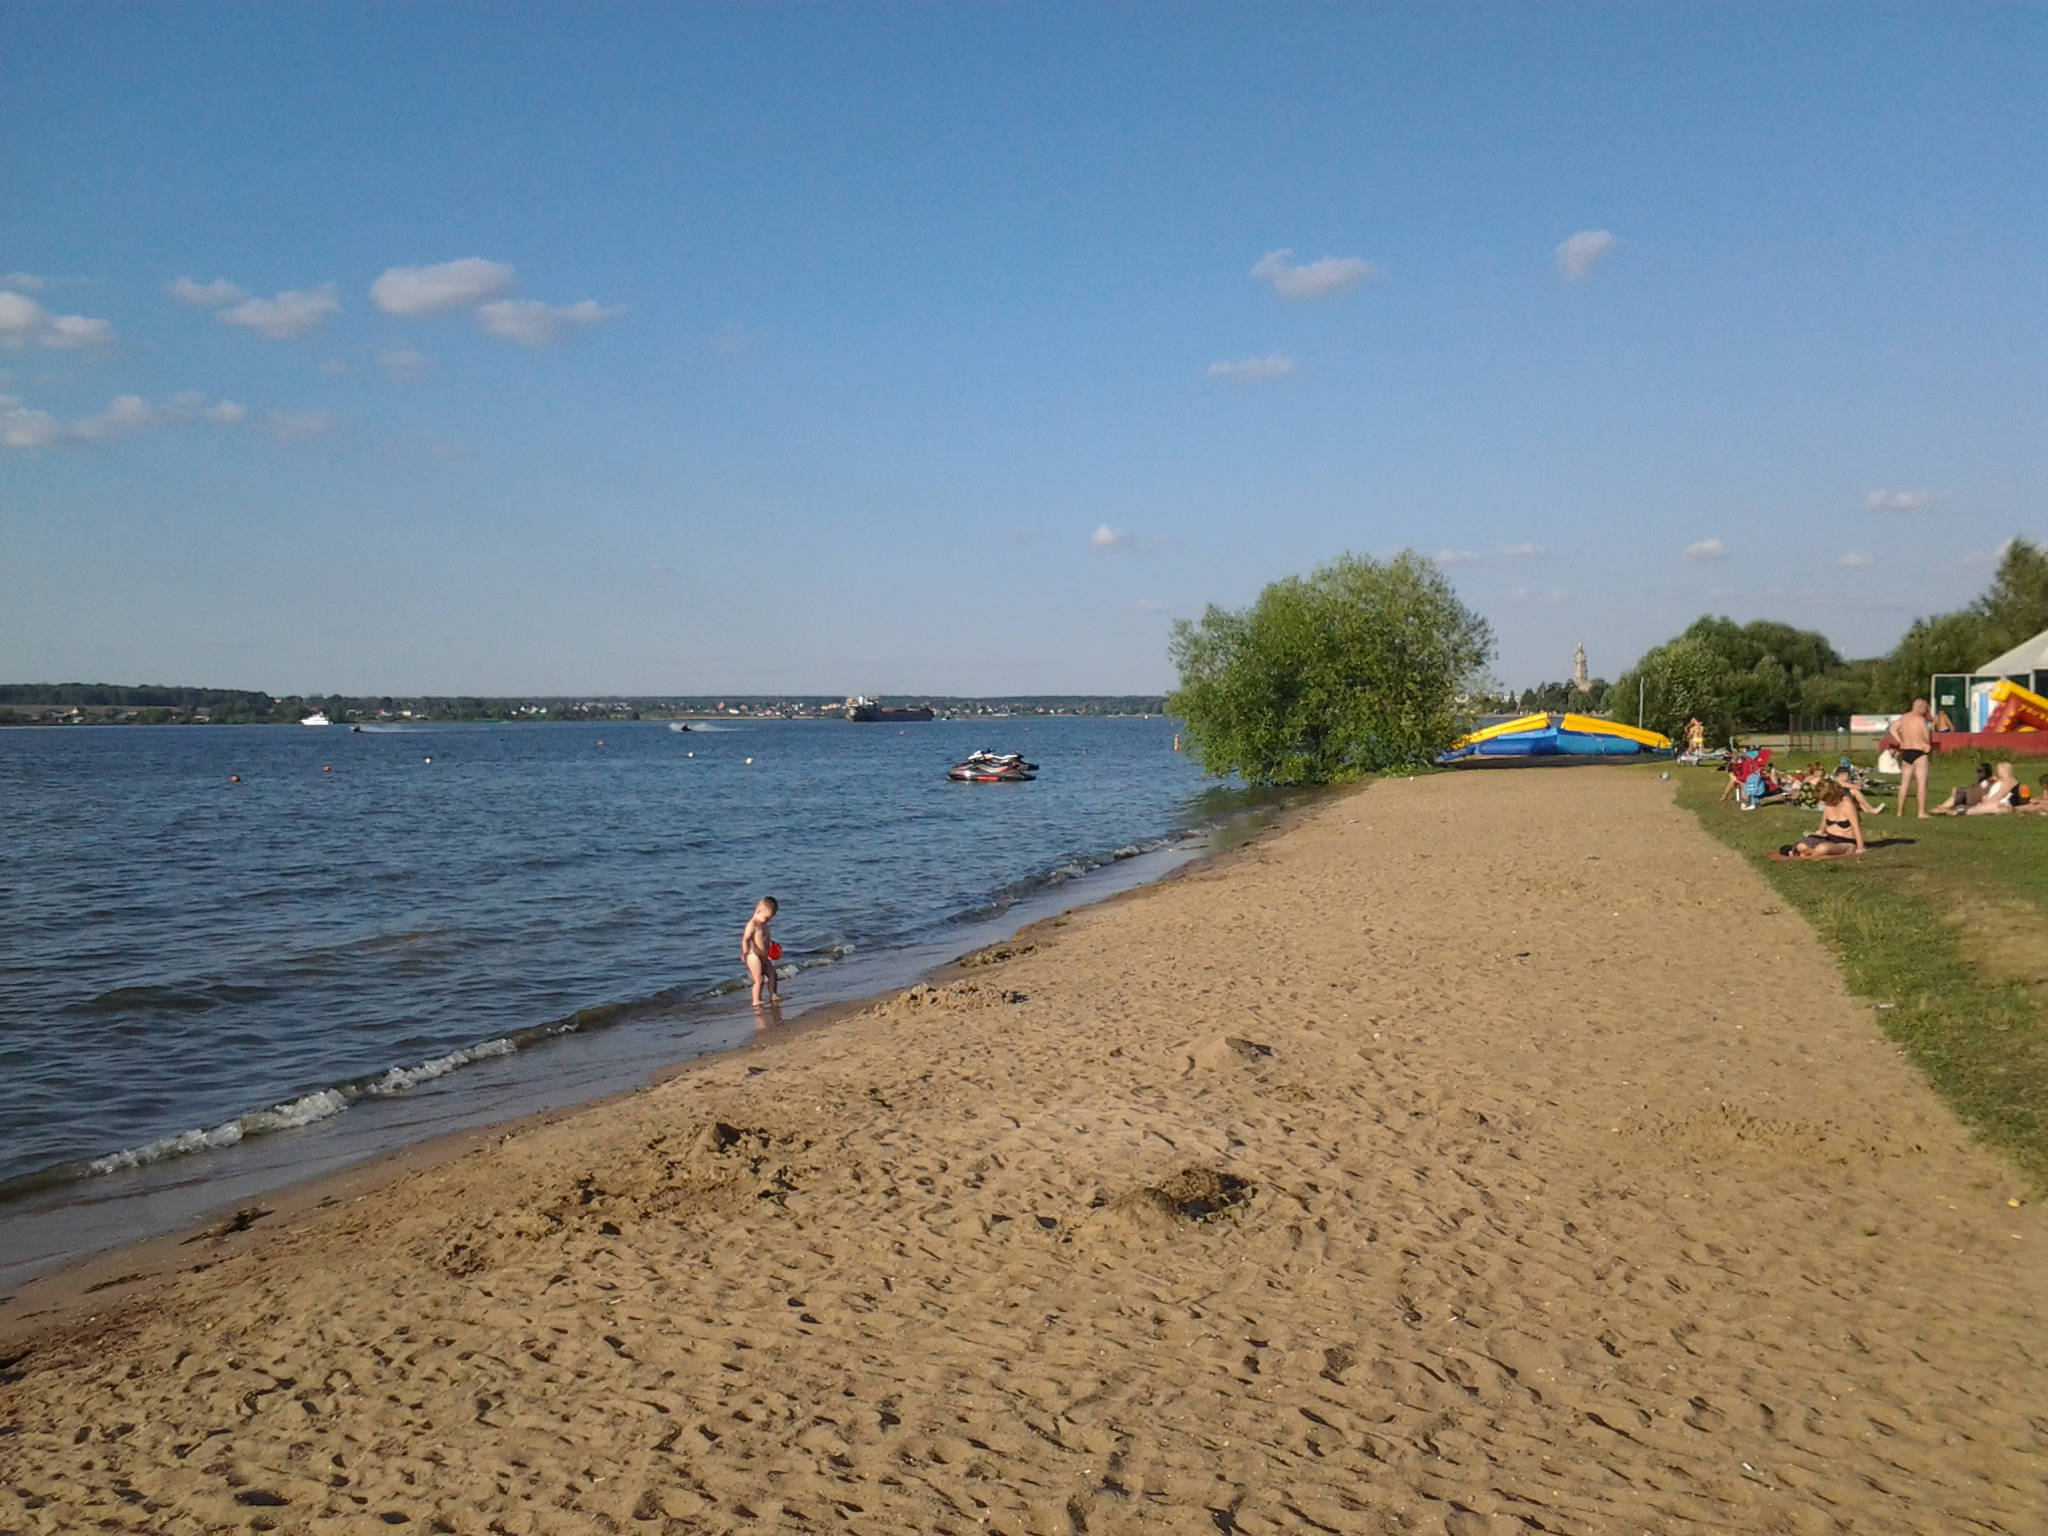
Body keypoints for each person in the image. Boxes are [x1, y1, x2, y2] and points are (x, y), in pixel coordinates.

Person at [1780, 782, 1864, 859]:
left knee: (1822, 848)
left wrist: (1860, 848)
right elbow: (1823, 825)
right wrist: (1819, 831)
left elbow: (1856, 827)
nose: (1825, 802)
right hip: (1829, 838)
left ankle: (1806, 856)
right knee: (1801, 846)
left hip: (1845, 841)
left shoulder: (1847, 804)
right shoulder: (1828, 805)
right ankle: (1812, 854)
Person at [1893, 698, 1936, 818]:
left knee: (1904, 784)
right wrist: (1927, 745)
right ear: (1922, 707)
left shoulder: (1904, 717)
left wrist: (1900, 740)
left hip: (1906, 751)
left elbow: (1892, 728)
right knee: (1922, 784)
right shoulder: (1920, 720)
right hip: (1919, 752)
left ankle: (1899, 812)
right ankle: (1921, 812)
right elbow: (1925, 735)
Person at [1933, 761, 2017, 816]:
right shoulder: (1997, 780)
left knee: (1964, 795)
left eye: (1999, 769)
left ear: (2003, 769)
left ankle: (1947, 810)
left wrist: (1986, 801)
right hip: (1984, 798)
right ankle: (1943, 808)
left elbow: (2000, 793)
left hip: (1991, 802)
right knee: (1961, 792)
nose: (1998, 771)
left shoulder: (2009, 781)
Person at [741, 896, 780, 1006]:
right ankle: (756, 1000)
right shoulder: (752, 925)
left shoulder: (764, 925)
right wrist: (745, 951)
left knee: (773, 975)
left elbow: (766, 938)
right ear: (758, 911)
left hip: (764, 956)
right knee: (759, 980)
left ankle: (773, 994)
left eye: (770, 918)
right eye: (767, 918)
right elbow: (746, 939)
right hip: (754, 955)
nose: (768, 920)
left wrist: (772, 945)